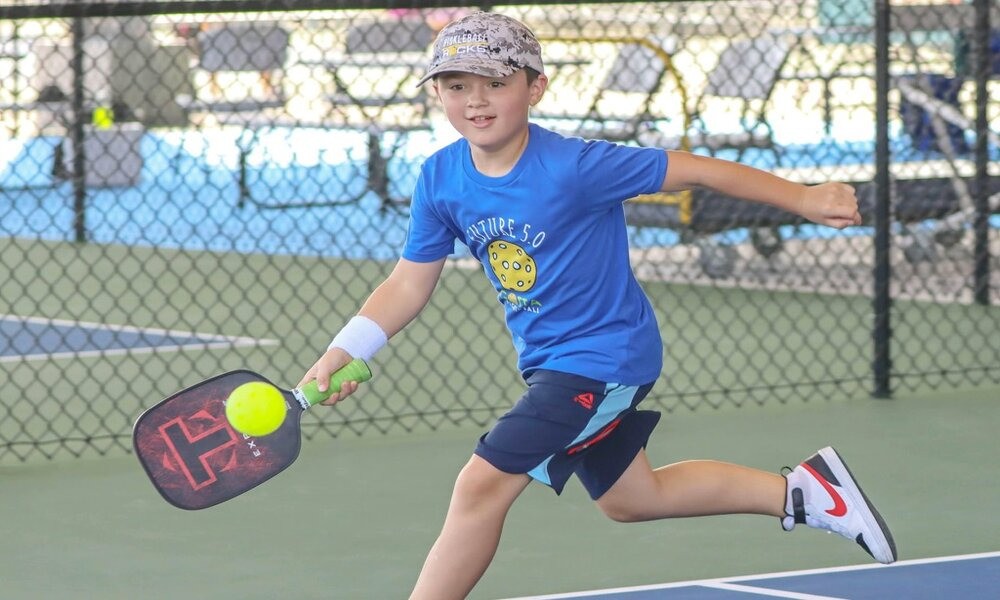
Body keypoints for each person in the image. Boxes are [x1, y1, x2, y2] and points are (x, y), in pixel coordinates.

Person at [298, 12, 897, 599]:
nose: (475, 101)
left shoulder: (578, 166)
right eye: (457, 86)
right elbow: (408, 282)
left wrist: (803, 197)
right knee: (633, 500)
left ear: (535, 87)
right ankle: (802, 493)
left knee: (481, 485)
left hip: (604, 357)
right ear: (437, 94)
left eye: (495, 84)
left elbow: (696, 171)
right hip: (551, 362)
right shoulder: (440, 178)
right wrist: (344, 349)